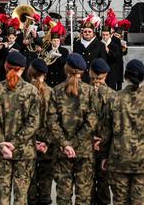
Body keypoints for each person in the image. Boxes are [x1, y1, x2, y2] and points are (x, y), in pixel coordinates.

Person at [0, 51, 40, 205]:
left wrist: (2, 143)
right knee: (22, 196)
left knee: (3, 194)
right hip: (24, 151)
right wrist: (14, 143)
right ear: (23, 68)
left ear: (5, 66)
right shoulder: (31, 91)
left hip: (1, 152)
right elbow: (33, 123)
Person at [101, 59, 144, 204]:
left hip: (118, 158)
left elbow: (105, 132)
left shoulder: (113, 99)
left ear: (125, 76)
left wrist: (104, 156)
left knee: (120, 201)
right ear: (143, 77)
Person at [48, 53, 99, 205]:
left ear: (66, 68)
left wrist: (66, 144)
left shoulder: (56, 91)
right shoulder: (90, 92)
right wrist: (75, 143)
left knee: (63, 196)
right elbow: (92, 122)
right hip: (83, 151)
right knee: (83, 197)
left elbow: (52, 121)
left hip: (62, 151)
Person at [27, 59, 53, 205]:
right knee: (46, 179)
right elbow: (54, 121)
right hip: (47, 144)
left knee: (30, 178)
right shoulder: (52, 93)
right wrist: (47, 141)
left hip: (28, 142)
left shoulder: (24, 90)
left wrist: (32, 141)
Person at [90, 58, 115, 205]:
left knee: (88, 183)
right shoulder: (113, 95)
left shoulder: (84, 92)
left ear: (90, 72)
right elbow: (114, 123)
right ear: (105, 75)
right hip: (105, 145)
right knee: (104, 182)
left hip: (87, 143)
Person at [73, 16, 107, 83]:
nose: (87, 33)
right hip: (80, 78)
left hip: (94, 78)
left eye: (89, 31)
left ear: (93, 33)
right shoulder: (77, 44)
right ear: (82, 33)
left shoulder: (100, 45)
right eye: (85, 31)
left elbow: (103, 62)